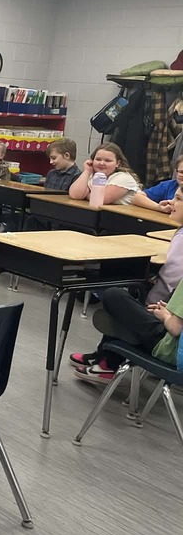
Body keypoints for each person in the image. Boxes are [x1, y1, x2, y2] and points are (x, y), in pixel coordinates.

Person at [71, 186, 183, 382]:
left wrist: (165, 314)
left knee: (116, 296)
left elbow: (175, 327)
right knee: (128, 294)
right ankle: (105, 357)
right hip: (167, 321)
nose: (172, 203)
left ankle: (108, 363)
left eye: (179, 199)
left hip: (168, 342)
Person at [68, 143, 141, 206]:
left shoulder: (124, 177)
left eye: (107, 161)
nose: (101, 163)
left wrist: (85, 195)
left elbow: (102, 199)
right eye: (98, 159)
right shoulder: (93, 175)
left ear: (118, 163)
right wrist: (87, 171)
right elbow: (75, 195)